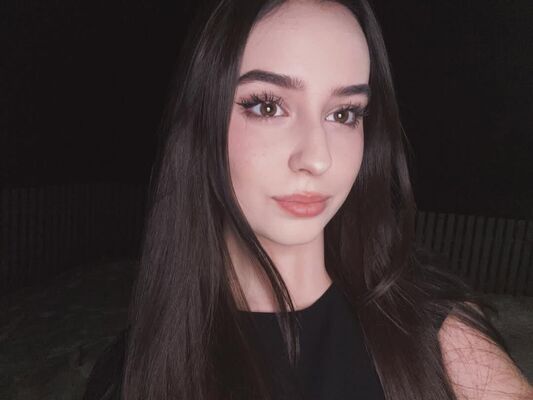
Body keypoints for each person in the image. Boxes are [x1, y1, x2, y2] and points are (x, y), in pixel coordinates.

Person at [83, 1, 533, 399]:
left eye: (344, 113)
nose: (317, 158)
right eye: (267, 106)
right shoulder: (132, 373)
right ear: (201, 122)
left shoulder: (438, 333)